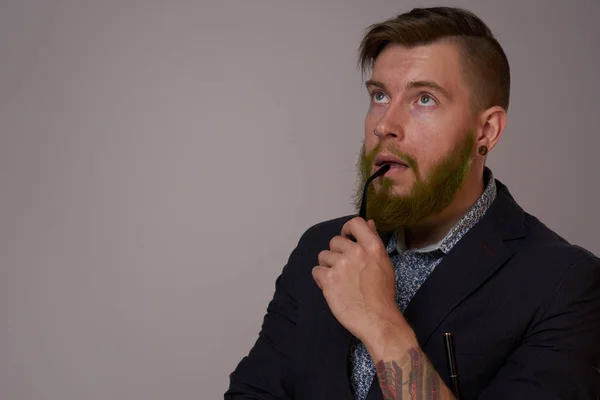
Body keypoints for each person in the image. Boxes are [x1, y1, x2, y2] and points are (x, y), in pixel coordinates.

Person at [224, 6, 600, 400]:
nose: (385, 124)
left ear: (486, 130)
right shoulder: (320, 248)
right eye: (380, 95)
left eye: (424, 99)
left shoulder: (566, 284)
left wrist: (380, 322)